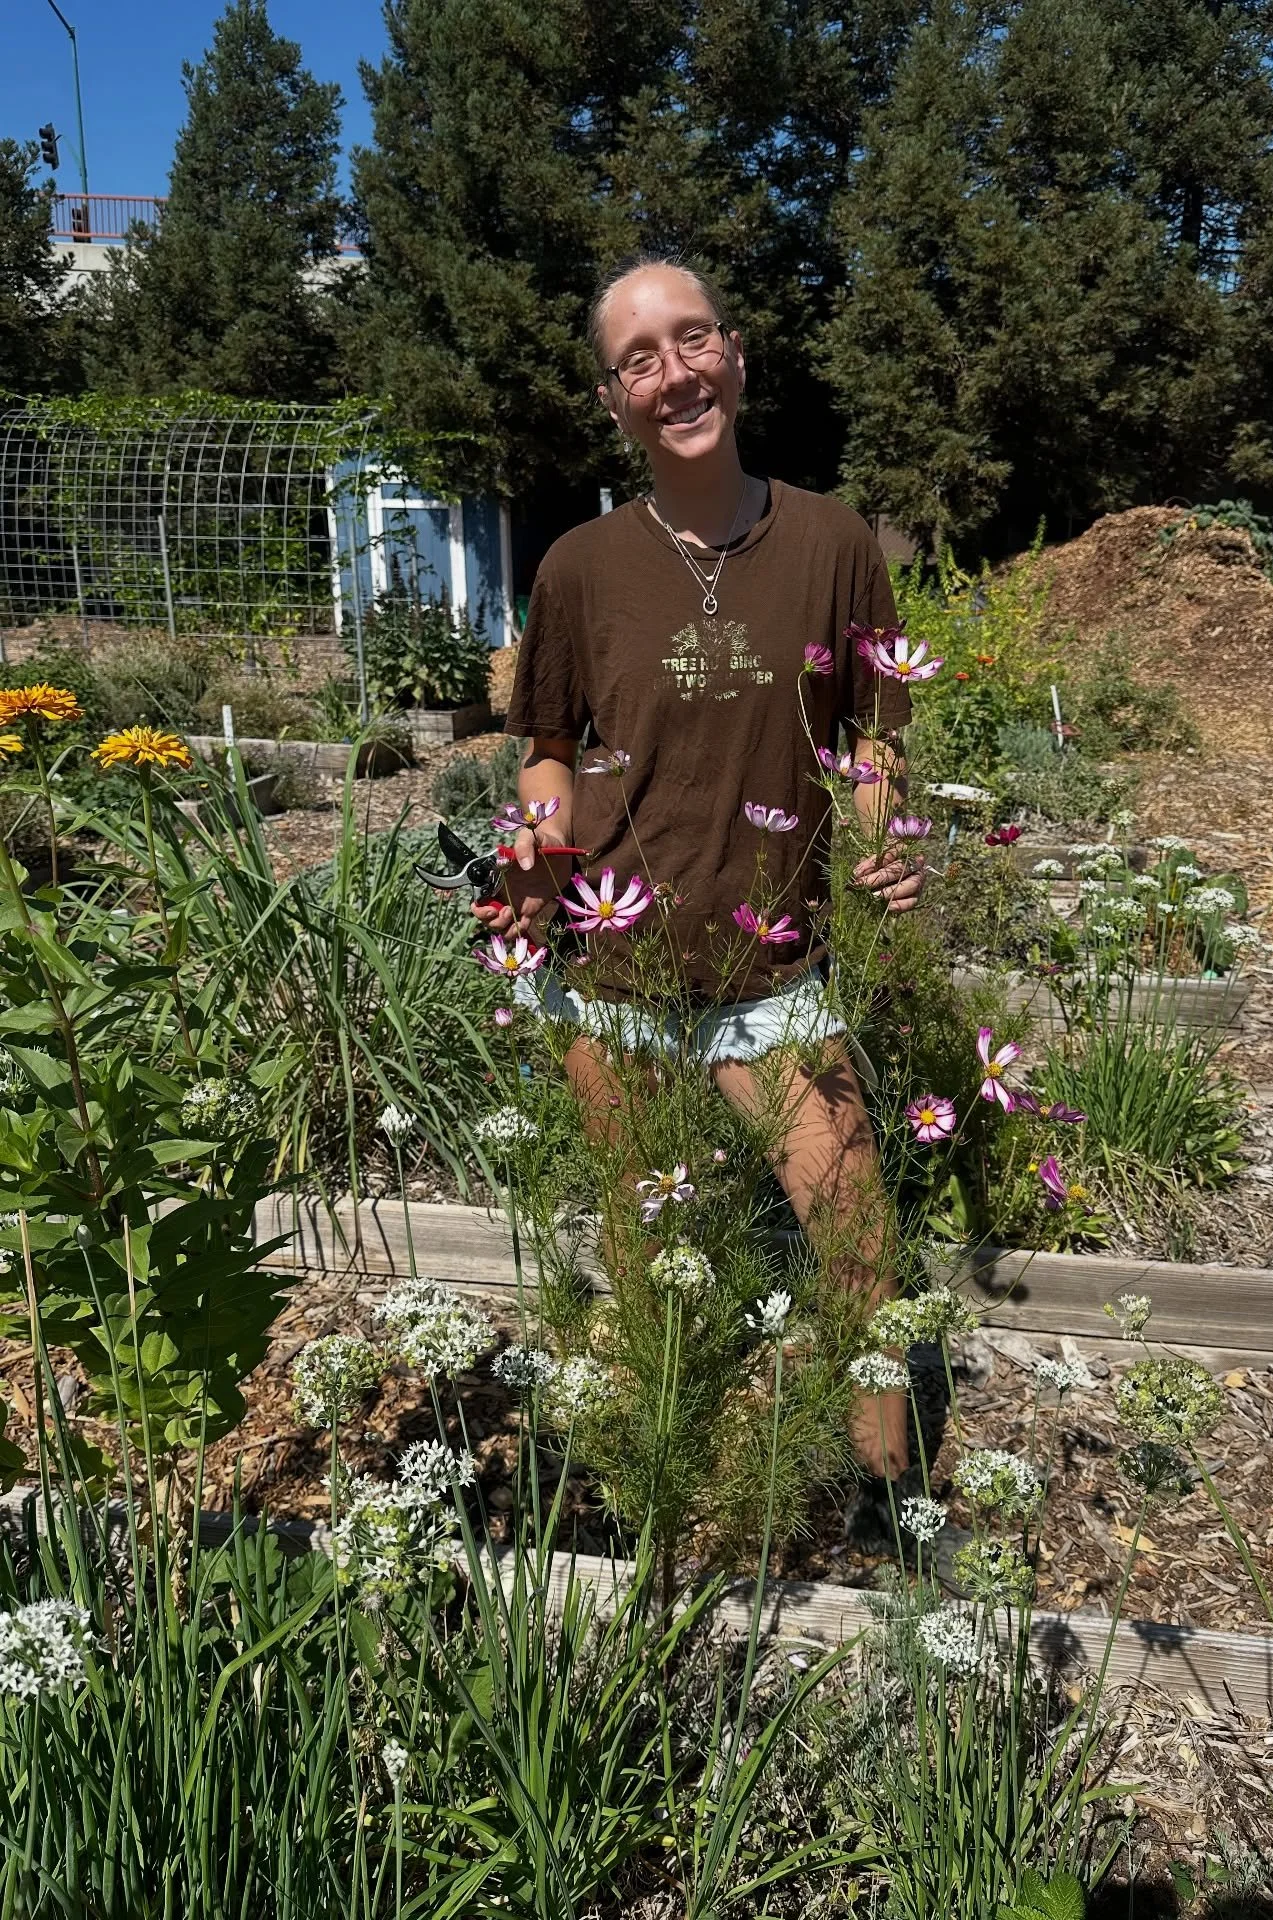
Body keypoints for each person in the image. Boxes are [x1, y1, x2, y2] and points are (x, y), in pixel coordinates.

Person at [475, 253, 926, 1529]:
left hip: (774, 972)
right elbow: (549, 744)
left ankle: (899, 1518)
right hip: (612, 971)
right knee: (646, 1254)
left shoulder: (834, 544)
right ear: (611, 400)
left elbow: (873, 739)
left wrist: (889, 841)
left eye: (693, 340)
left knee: (858, 1247)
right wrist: (539, 842)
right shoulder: (578, 567)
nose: (673, 373)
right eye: (639, 359)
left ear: (735, 353)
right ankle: (663, 1507)